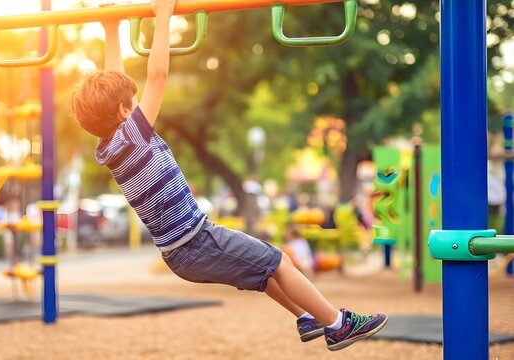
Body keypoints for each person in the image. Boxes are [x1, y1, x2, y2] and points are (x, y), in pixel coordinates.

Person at [70, 0, 387, 351]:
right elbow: (157, 76)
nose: (136, 100)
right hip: (197, 241)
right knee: (279, 261)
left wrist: (111, 31)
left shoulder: (109, 145)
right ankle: (338, 324)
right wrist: (162, 19)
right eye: (130, 99)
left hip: (180, 252)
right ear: (123, 110)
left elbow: (114, 85)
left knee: (266, 275)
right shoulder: (133, 134)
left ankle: (307, 316)